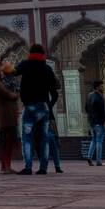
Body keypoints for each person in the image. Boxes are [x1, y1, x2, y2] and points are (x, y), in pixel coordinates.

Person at [14, 44, 59, 176]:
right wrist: (49, 105)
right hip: (43, 106)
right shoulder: (47, 68)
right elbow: (55, 91)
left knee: (27, 138)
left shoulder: (26, 65)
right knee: (44, 138)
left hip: (29, 107)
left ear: (31, 53)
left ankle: (28, 167)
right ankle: (43, 168)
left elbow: (13, 72)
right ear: (43, 54)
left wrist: (4, 68)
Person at [84, 79, 105, 166]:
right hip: (99, 123)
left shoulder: (89, 95)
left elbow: (86, 108)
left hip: (91, 122)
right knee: (99, 141)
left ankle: (89, 157)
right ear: (97, 87)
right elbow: (102, 111)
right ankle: (98, 161)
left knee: (93, 140)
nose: (103, 88)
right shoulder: (100, 97)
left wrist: (91, 116)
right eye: (101, 86)